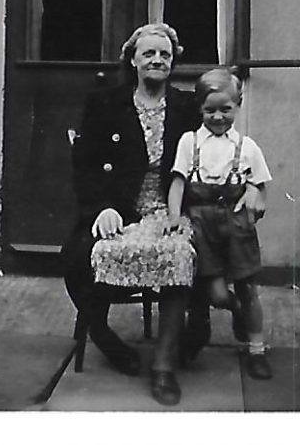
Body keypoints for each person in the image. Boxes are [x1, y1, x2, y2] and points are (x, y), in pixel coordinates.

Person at [62, 23, 201, 406]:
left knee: (180, 256)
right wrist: (101, 208)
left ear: (173, 63)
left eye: (165, 54)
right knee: (78, 256)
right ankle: (103, 335)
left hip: (170, 208)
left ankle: (163, 365)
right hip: (117, 208)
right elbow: (85, 166)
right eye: (149, 53)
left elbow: (209, 160)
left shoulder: (188, 107)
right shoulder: (105, 103)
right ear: (134, 60)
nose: (157, 59)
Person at [168, 67, 273, 379]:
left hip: (236, 224)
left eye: (225, 109)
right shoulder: (189, 142)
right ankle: (235, 311)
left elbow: (260, 187)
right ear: (200, 108)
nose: (217, 117)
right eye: (209, 110)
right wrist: (175, 216)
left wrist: (256, 204)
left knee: (248, 287)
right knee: (215, 293)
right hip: (201, 223)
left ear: (238, 105)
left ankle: (256, 349)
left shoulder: (247, 147)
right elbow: (178, 183)